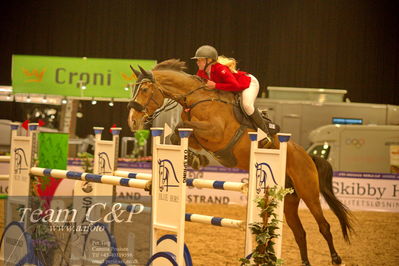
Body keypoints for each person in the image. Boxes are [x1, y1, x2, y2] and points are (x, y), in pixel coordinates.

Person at [192, 45, 271, 139]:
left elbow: (235, 86)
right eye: (197, 60)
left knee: (247, 105)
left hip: (248, 83)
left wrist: (215, 85)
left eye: (200, 60)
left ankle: (265, 133)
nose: (197, 62)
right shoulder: (201, 72)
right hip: (233, 88)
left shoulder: (220, 69)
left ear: (208, 61)